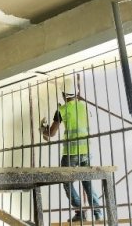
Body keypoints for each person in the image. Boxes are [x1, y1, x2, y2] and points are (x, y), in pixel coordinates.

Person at [40, 77, 103, 222]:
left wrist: (43, 130)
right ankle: (98, 214)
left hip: (71, 153)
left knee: (66, 181)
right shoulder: (83, 106)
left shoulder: (61, 110)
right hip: (86, 151)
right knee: (87, 182)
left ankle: (80, 212)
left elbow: (51, 133)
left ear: (63, 95)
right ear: (76, 93)